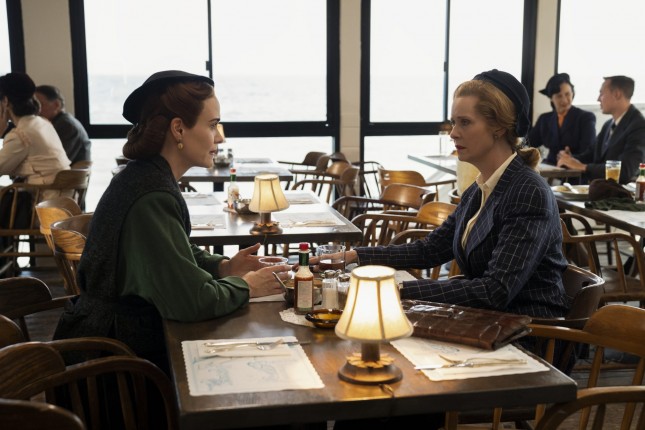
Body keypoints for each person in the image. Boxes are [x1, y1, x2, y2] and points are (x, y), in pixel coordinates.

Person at [53, 70, 289, 374]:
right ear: (178, 129)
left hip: (118, 344)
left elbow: (175, 252)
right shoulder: (152, 195)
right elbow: (191, 301)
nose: (219, 137)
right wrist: (247, 286)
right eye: (212, 125)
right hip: (119, 364)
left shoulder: (145, 176)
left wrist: (224, 267)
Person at [315, 69, 571, 320]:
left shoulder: (528, 192)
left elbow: (494, 291)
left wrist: (396, 289)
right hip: (489, 320)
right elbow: (432, 249)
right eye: (453, 122)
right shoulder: (480, 188)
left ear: (499, 127)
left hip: (530, 331)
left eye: (465, 122)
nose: (453, 133)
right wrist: (356, 256)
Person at [557, 75, 645, 184]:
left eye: (602, 93)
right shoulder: (608, 125)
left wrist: (583, 167)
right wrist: (569, 158)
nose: (598, 99)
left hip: (621, 193)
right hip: (600, 189)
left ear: (617, 94)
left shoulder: (639, 126)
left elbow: (625, 171)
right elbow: (591, 155)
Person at [0, 72, 71, 187]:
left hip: (43, 195)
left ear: (5, 101)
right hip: (62, 194)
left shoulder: (20, 135)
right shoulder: (43, 123)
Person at [528, 73, 596, 165]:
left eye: (567, 94)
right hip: (550, 167)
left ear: (573, 93)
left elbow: (588, 152)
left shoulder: (586, 118)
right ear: (551, 98)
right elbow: (529, 143)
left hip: (575, 169)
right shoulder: (544, 119)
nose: (564, 100)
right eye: (559, 96)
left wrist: (570, 158)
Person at [35, 84, 92, 165]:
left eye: (40, 105)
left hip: (66, 173)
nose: (37, 110)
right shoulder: (61, 122)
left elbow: (56, 160)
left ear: (57, 105)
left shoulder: (66, 125)